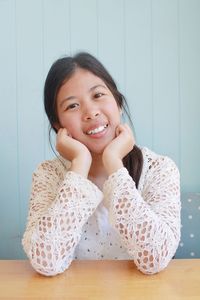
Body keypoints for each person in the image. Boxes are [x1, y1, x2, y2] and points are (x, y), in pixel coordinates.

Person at [22, 52, 181, 276]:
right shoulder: (48, 175)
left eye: (98, 95)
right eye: (73, 106)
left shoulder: (160, 169)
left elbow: (155, 259)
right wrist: (79, 167)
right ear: (58, 125)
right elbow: (46, 261)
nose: (91, 112)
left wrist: (114, 164)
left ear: (119, 104)